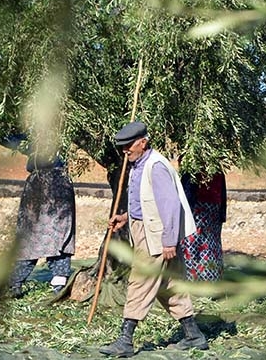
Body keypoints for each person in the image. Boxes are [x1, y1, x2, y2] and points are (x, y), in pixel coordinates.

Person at [99, 122, 209, 357]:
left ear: (142, 142)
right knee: (170, 286)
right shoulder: (138, 164)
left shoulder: (156, 166)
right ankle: (194, 336)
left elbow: (169, 207)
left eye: (128, 146)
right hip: (146, 231)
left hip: (157, 236)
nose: (124, 151)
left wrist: (168, 241)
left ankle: (125, 341)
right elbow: (147, 202)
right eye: (122, 147)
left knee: (140, 282)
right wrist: (125, 218)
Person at [0, 133, 75, 299]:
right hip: (55, 184)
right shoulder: (59, 133)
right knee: (55, 235)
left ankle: (17, 283)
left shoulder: (45, 135)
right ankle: (56, 286)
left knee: (36, 235)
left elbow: (17, 142)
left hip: (46, 185)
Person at [180, 169, 227, 281]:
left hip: (199, 206)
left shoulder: (196, 167)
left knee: (195, 243)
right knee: (208, 244)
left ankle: (197, 283)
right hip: (211, 206)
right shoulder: (216, 168)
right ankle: (210, 282)